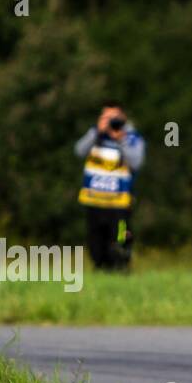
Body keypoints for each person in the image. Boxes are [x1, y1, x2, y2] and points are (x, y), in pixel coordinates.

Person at [74, 103, 145, 270]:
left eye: (114, 118)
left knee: (121, 239)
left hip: (119, 205)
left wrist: (120, 140)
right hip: (94, 201)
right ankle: (100, 270)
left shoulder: (132, 138)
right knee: (96, 244)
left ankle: (121, 267)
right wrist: (97, 132)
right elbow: (79, 151)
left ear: (123, 118)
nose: (110, 122)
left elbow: (136, 162)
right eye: (106, 117)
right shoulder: (95, 136)